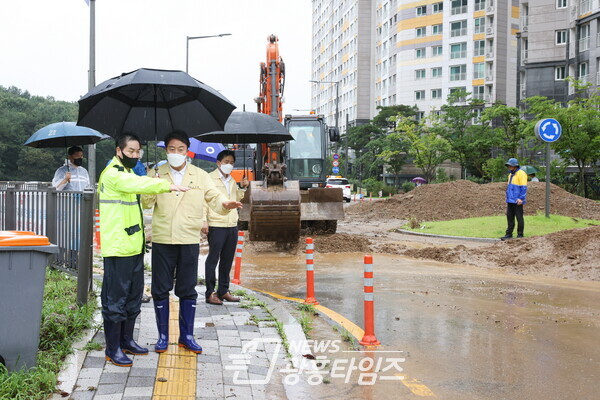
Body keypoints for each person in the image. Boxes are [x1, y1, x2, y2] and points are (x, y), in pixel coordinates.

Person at [142, 132, 243, 354]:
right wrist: (153, 186)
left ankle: (186, 336)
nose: (176, 153)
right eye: (171, 149)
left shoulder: (200, 175)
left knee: (187, 289)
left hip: (188, 238)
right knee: (160, 289)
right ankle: (162, 337)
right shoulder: (156, 173)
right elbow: (145, 203)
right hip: (163, 238)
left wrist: (226, 203)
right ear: (166, 151)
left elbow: (214, 197)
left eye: (180, 149)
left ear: (187, 151)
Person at [98, 133, 190, 367]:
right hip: (118, 248)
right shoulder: (113, 174)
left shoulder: (129, 172)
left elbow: (140, 186)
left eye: (138, 151)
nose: (135, 155)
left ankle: (127, 340)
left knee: (133, 298)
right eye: (131, 151)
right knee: (115, 300)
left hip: (134, 246)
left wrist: (153, 177)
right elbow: (137, 185)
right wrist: (166, 184)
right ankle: (113, 348)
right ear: (119, 151)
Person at [203, 150, 249, 305]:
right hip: (216, 224)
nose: (229, 165)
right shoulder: (209, 179)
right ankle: (210, 292)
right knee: (213, 259)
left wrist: (243, 187)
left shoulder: (232, 180)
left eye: (231, 162)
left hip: (231, 224)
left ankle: (223, 291)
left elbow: (236, 199)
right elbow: (205, 201)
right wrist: (204, 221)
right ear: (218, 163)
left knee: (227, 259)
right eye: (226, 162)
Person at [501, 158, 528, 241]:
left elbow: (523, 187)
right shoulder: (510, 175)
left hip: (517, 200)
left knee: (519, 217)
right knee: (509, 217)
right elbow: (509, 187)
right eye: (508, 165)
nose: (509, 167)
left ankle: (520, 235)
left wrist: (521, 198)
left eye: (510, 165)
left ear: (515, 166)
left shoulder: (521, 174)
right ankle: (508, 234)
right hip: (510, 200)